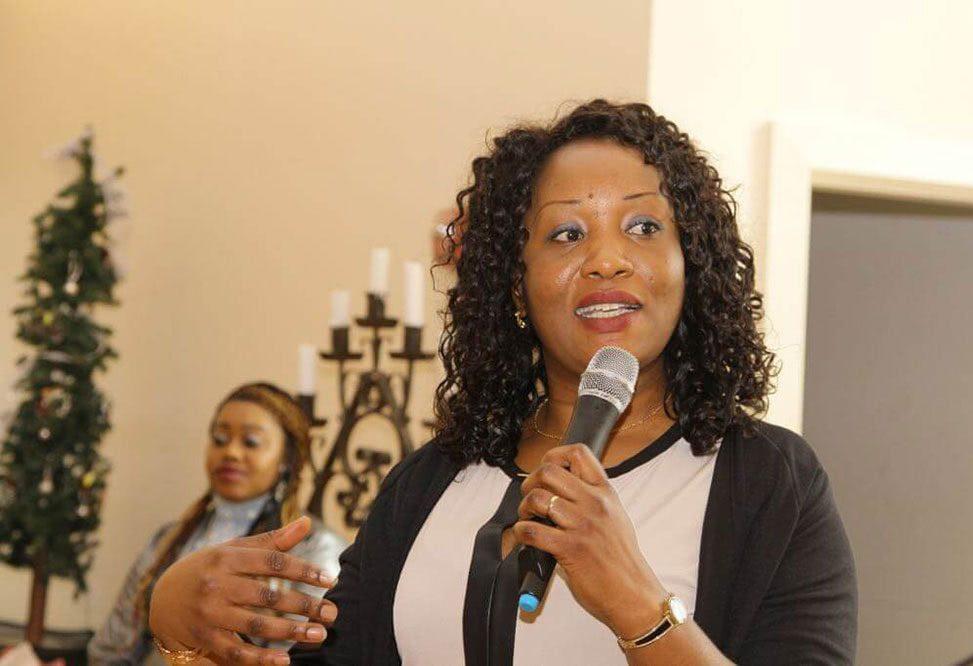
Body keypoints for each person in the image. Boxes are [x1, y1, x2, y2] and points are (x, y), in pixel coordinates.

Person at [147, 100, 858, 665]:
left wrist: (640, 606)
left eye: (643, 226)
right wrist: (178, 618)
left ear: (689, 263)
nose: (608, 259)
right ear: (516, 284)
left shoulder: (766, 485)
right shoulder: (434, 483)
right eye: (567, 234)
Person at [88, 382, 347, 664]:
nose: (231, 453)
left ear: (286, 459)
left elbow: (300, 656)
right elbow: (110, 650)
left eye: (250, 442)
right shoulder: (169, 540)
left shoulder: (317, 550)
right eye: (220, 439)